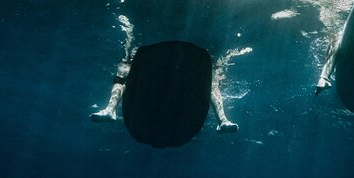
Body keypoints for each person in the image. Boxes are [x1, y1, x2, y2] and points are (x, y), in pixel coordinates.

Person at [90, 16, 247, 133]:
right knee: (123, 74)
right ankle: (110, 110)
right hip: (161, 73)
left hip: (174, 74)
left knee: (210, 82)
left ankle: (222, 120)